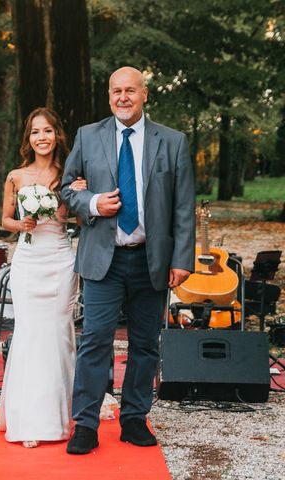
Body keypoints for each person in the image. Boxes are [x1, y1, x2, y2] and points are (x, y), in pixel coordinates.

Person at [61, 66, 195, 454]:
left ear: (145, 95)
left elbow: (183, 206)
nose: (123, 97)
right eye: (116, 91)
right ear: (109, 96)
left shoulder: (172, 141)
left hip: (152, 260)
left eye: (130, 91)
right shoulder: (88, 136)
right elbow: (68, 189)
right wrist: (93, 203)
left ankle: (134, 418)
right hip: (103, 259)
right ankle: (85, 423)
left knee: (145, 345)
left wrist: (182, 258)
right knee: (95, 342)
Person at [0, 107, 85, 448]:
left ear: (57, 135)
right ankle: (26, 417)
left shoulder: (70, 174)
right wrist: (22, 224)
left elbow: (81, 218)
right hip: (29, 261)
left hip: (60, 259)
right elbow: (4, 220)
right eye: (35, 132)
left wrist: (75, 204)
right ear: (28, 139)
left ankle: (64, 416)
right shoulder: (16, 176)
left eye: (47, 131)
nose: (41, 137)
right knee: (30, 333)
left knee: (59, 334)